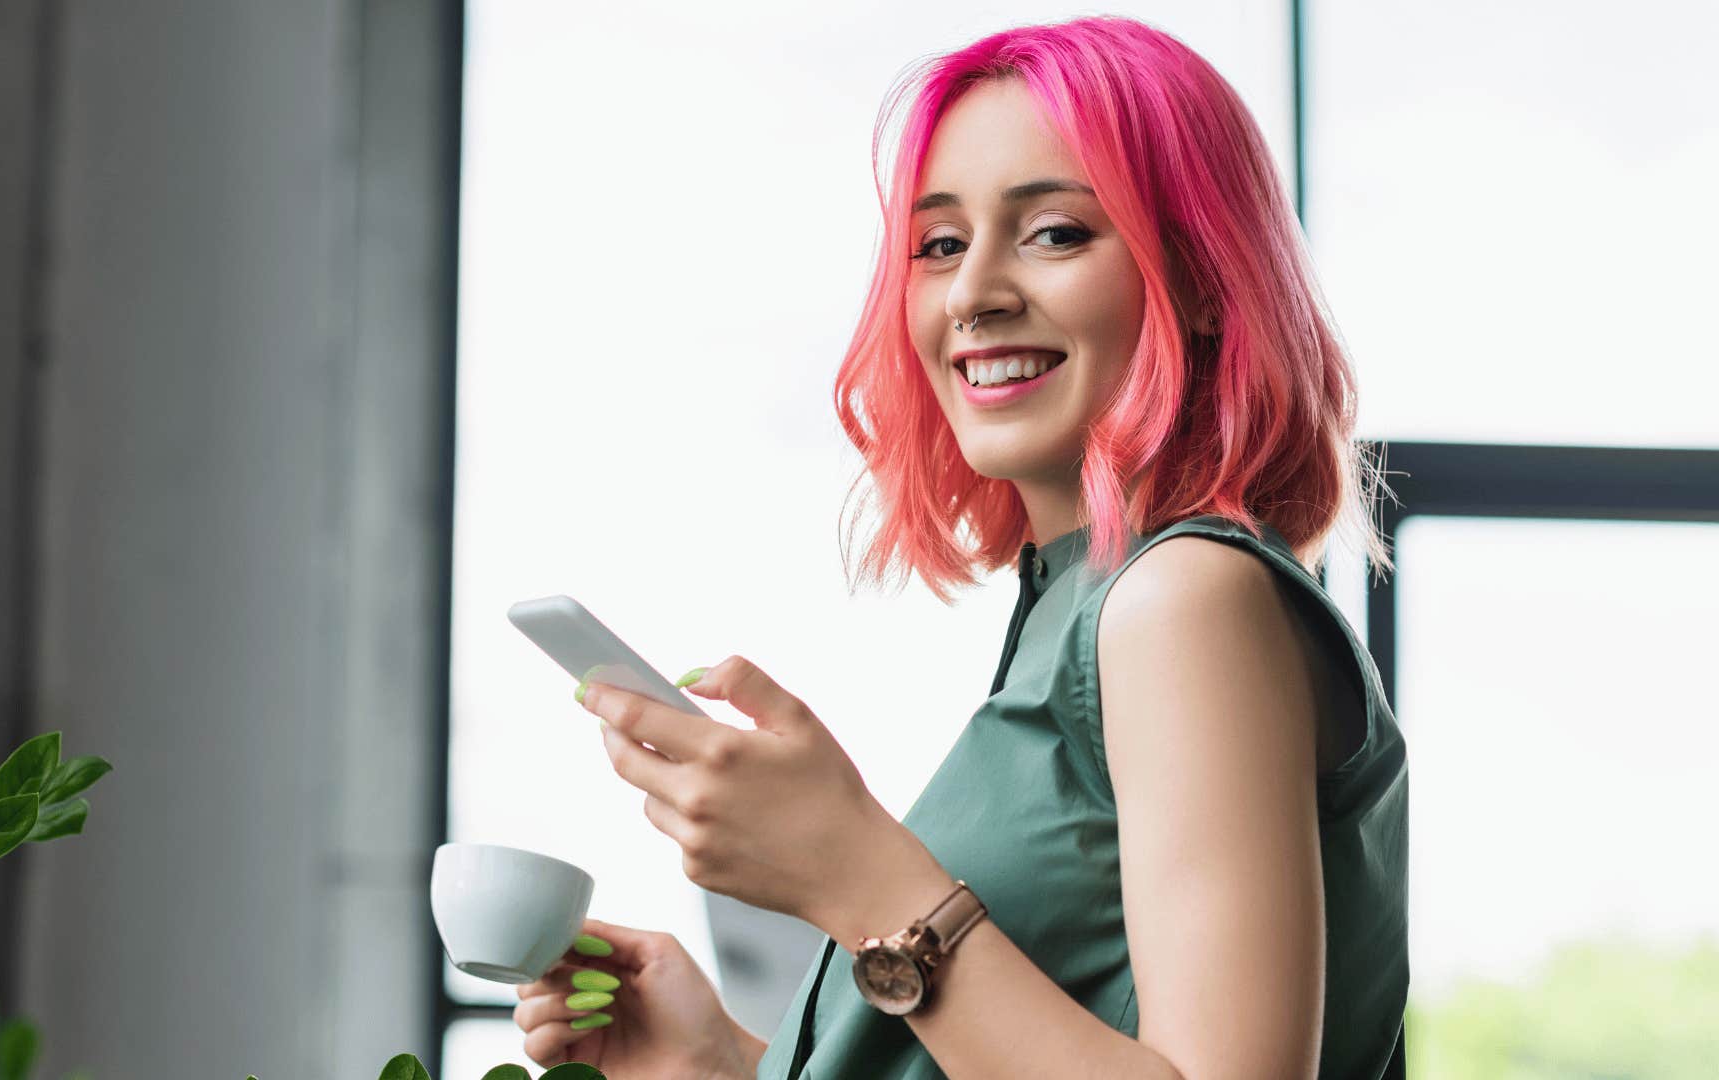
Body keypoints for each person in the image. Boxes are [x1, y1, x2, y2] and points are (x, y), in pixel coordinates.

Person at [510, 14, 1408, 1079]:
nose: (975, 293)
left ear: (1206, 281)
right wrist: (722, 1063)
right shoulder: (1083, 603)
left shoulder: (1185, 598)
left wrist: (854, 871)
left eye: (1056, 232)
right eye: (939, 245)